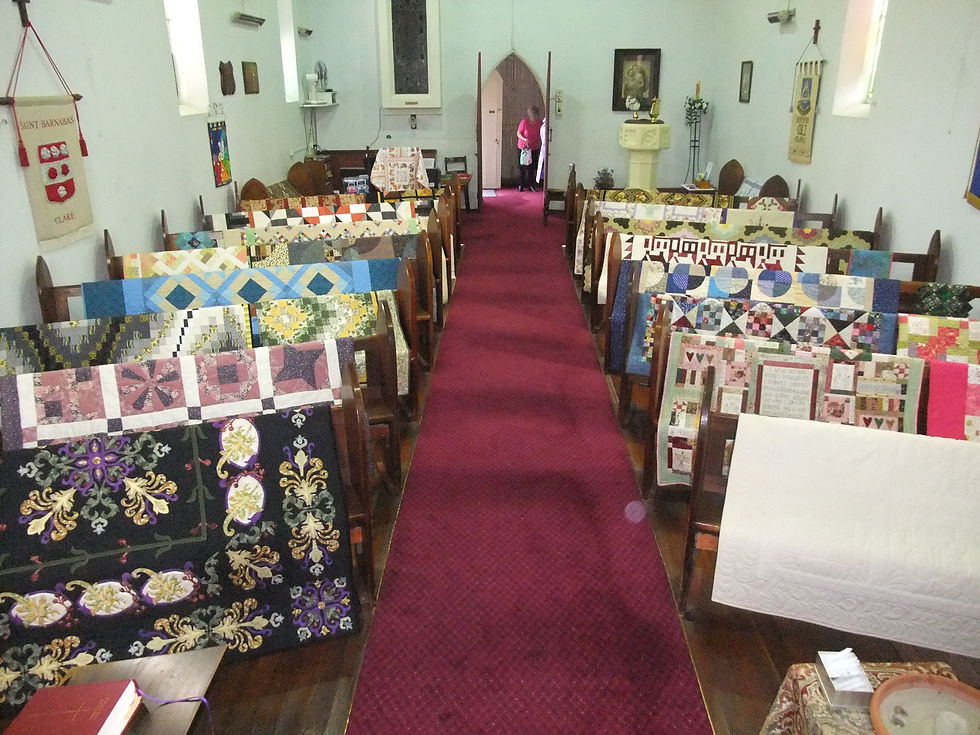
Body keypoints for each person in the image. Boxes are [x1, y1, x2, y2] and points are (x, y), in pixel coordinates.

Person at [516, 106, 542, 192]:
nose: (531, 115)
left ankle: (531, 185)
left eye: (532, 113)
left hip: (534, 147)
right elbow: (518, 133)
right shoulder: (524, 122)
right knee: (522, 167)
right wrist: (524, 139)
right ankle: (521, 184)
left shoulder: (539, 123)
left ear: (536, 114)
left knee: (532, 167)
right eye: (529, 113)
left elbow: (542, 134)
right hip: (524, 147)